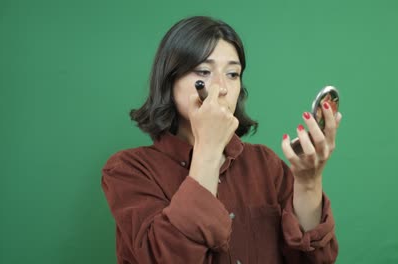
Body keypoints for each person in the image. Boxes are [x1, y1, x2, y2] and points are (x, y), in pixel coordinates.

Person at [101, 16, 342, 264]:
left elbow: (313, 260)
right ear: (169, 80)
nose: (222, 87)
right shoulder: (128, 170)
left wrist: (309, 182)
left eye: (233, 74)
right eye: (204, 72)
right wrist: (209, 147)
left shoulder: (265, 164)